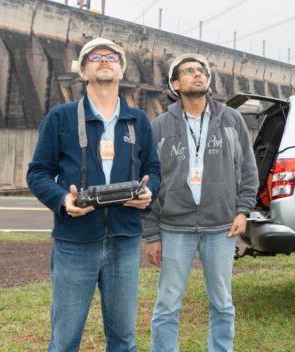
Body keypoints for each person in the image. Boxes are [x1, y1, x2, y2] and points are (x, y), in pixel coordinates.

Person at [27, 37, 160, 351]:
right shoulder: (60, 118)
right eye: (95, 56)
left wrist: (148, 191)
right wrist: (63, 200)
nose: (104, 60)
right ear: (83, 72)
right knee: (64, 340)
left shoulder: (138, 120)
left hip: (125, 241)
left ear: (121, 70)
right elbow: (38, 172)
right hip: (74, 242)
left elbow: (153, 169)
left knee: (124, 340)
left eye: (112, 57)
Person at [143, 53, 258, 352]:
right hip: (173, 228)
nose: (198, 74)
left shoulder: (230, 119)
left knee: (222, 302)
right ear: (175, 83)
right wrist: (152, 235)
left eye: (201, 70)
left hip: (221, 228)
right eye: (189, 71)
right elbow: (149, 183)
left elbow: (248, 169)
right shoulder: (159, 126)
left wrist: (243, 210)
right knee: (167, 304)